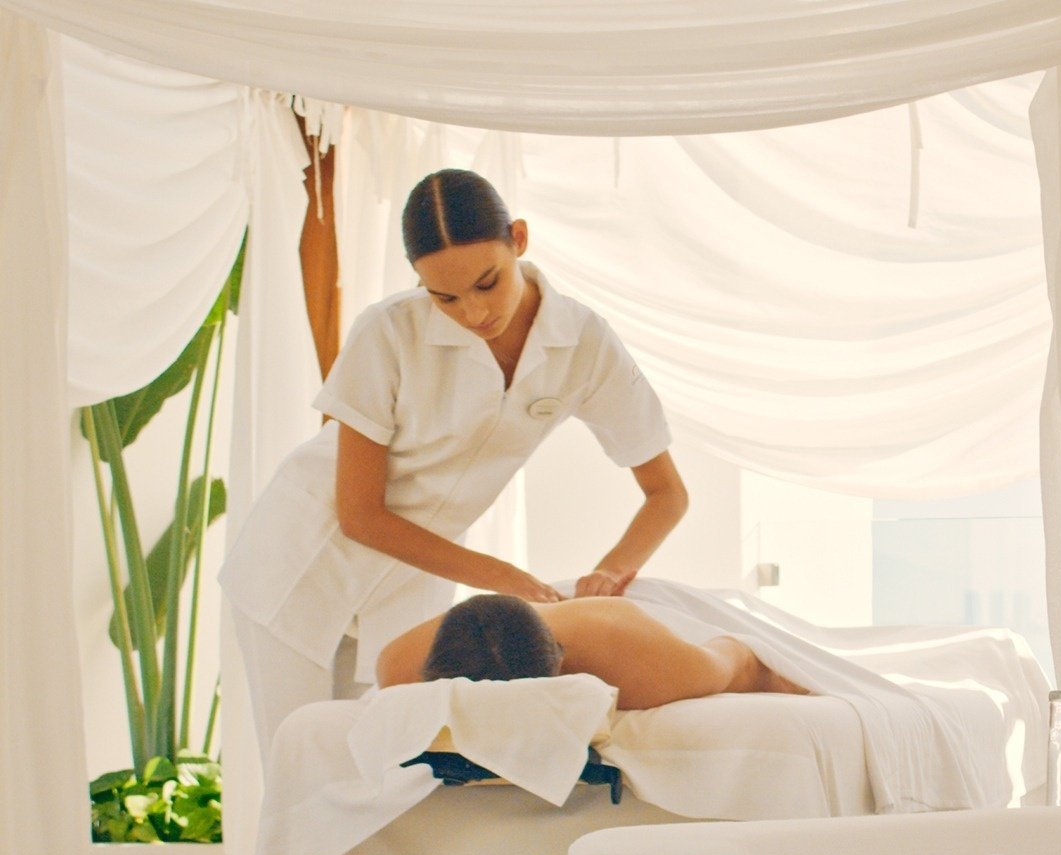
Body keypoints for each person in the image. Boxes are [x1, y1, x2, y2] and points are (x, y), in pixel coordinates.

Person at [219, 169, 688, 754]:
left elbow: (667, 493)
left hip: (414, 578)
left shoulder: (584, 343)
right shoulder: (388, 333)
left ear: (518, 238)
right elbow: (359, 515)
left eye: (487, 284)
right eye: (444, 297)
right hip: (301, 559)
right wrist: (507, 581)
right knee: (304, 769)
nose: (472, 313)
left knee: (401, 773)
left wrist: (610, 575)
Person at [376, 593, 810, 710]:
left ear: (561, 666)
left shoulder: (639, 663)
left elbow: (744, 660)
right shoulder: (399, 665)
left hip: (638, 613)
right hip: (521, 606)